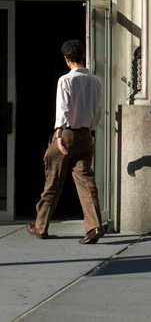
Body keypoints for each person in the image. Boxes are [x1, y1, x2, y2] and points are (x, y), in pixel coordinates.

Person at [27, 40, 105, 244]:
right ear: (82, 57)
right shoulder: (96, 81)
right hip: (86, 135)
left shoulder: (65, 80)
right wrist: (90, 129)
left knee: (53, 180)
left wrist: (59, 134)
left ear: (66, 59)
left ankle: (40, 226)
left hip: (67, 134)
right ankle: (95, 226)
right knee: (87, 182)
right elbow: (98, 111)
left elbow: (62, 109)